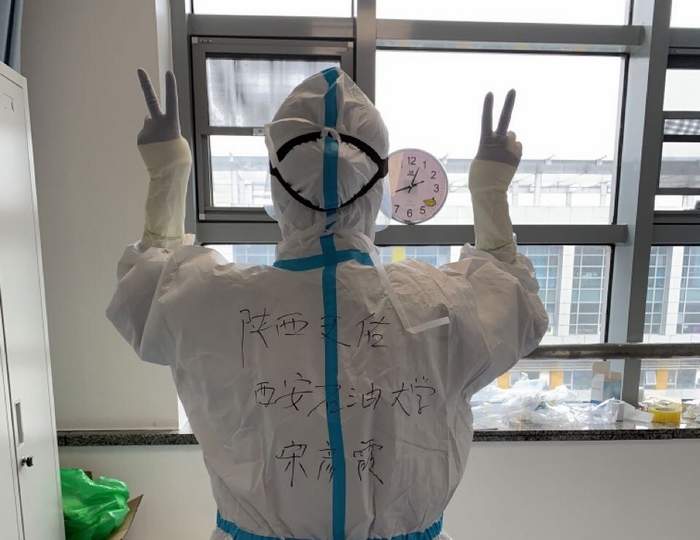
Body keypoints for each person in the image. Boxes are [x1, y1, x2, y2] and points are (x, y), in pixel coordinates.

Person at [107, 67, 548, 540]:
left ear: (277, 184)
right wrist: (490, 193)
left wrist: (168, 175)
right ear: (378, 186)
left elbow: (145, 291)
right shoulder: (437, 305)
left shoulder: (214, 301)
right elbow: (512, 298)